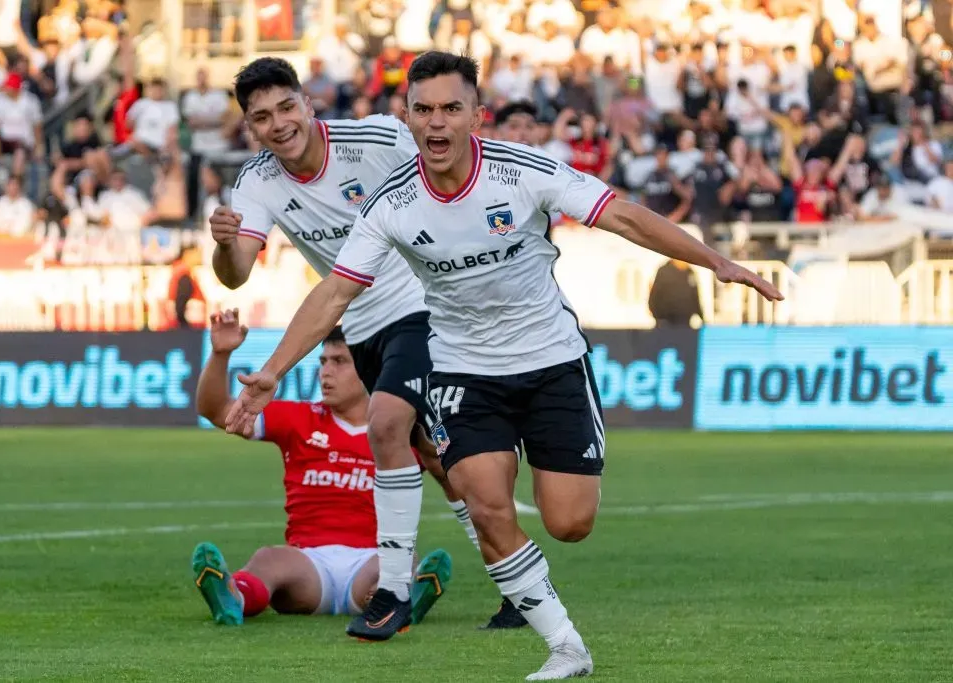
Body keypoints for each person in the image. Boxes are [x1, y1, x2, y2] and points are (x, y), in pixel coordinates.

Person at [222, 52, 782, 680]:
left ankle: (472, 578)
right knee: (485, 502)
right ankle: (565, 646)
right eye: (424, 110)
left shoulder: (524, 172)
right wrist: (271, 371)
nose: (437, 124)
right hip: (462, 367)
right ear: (406, 118)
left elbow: (622, 214)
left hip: (550, 360)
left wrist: (717, 262)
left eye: (451, 109)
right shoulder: (389, 205)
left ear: (477, 116)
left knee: (569, 522)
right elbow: (333, 295)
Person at [207, 57, 526, 636]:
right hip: (360, 327)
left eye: (286, 107)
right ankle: (522, 586)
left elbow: (452, 169)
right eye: (262, 117)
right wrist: (225, 246)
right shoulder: (256, 180)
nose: (278, 124)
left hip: (424, 309)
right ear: (250, 128)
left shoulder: (375, 138)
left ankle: (392, 594)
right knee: (436, 458)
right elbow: (235, 274)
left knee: (384, 425)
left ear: (307, 103)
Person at [193, 310, 452, 626]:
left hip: (372, 557)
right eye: (323, 362)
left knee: (400, 564)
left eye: (339, 362)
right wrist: (221, 354)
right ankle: (235, 597)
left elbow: (453, 473)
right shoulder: (299, 419)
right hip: (308, 564)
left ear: (371, 367)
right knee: (269, 559)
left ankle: (394, 598)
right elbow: (216, 410)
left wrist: (430, 445)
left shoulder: (398, 431)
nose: (325, 373)